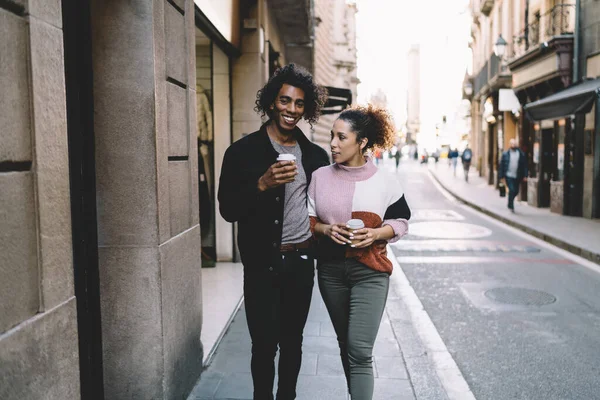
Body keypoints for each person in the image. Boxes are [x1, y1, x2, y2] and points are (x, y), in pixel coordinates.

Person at [218, 64, 329, 400]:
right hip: (261, 266)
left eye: (299, 104)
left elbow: (326, 208)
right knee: (263, 347)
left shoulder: (315, 156)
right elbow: (227, 211)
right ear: (270, 103)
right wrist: (261, 184)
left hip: (300, 264)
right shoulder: (241, 152)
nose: (291, 110)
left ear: (306, 109)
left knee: (293, 344)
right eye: (284, 101)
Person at [308, 105, 411, 400]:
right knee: (346, 344)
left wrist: (376, 233)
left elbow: (401, 221)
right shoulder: (320, 177)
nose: (333, 144)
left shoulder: (385, 180)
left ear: (362, 142)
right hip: (330, 272)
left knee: (360, 351)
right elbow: (309, 219)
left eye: (341, 137)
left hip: (371, 272)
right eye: (332, 136)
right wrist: (326, 230)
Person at [498, 138, 528, 212]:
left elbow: (524, 165)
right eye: (512, 144)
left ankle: (510, 201)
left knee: (516, 191)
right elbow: (502, 165)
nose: (513, 145)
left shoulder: (521, 154)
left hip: (517, 176)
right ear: (509, 144)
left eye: (514, 144)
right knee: (512, 189)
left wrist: (525, 175)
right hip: (509, 175)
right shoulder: (505, 154)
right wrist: (501, 176)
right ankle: (510, 205)